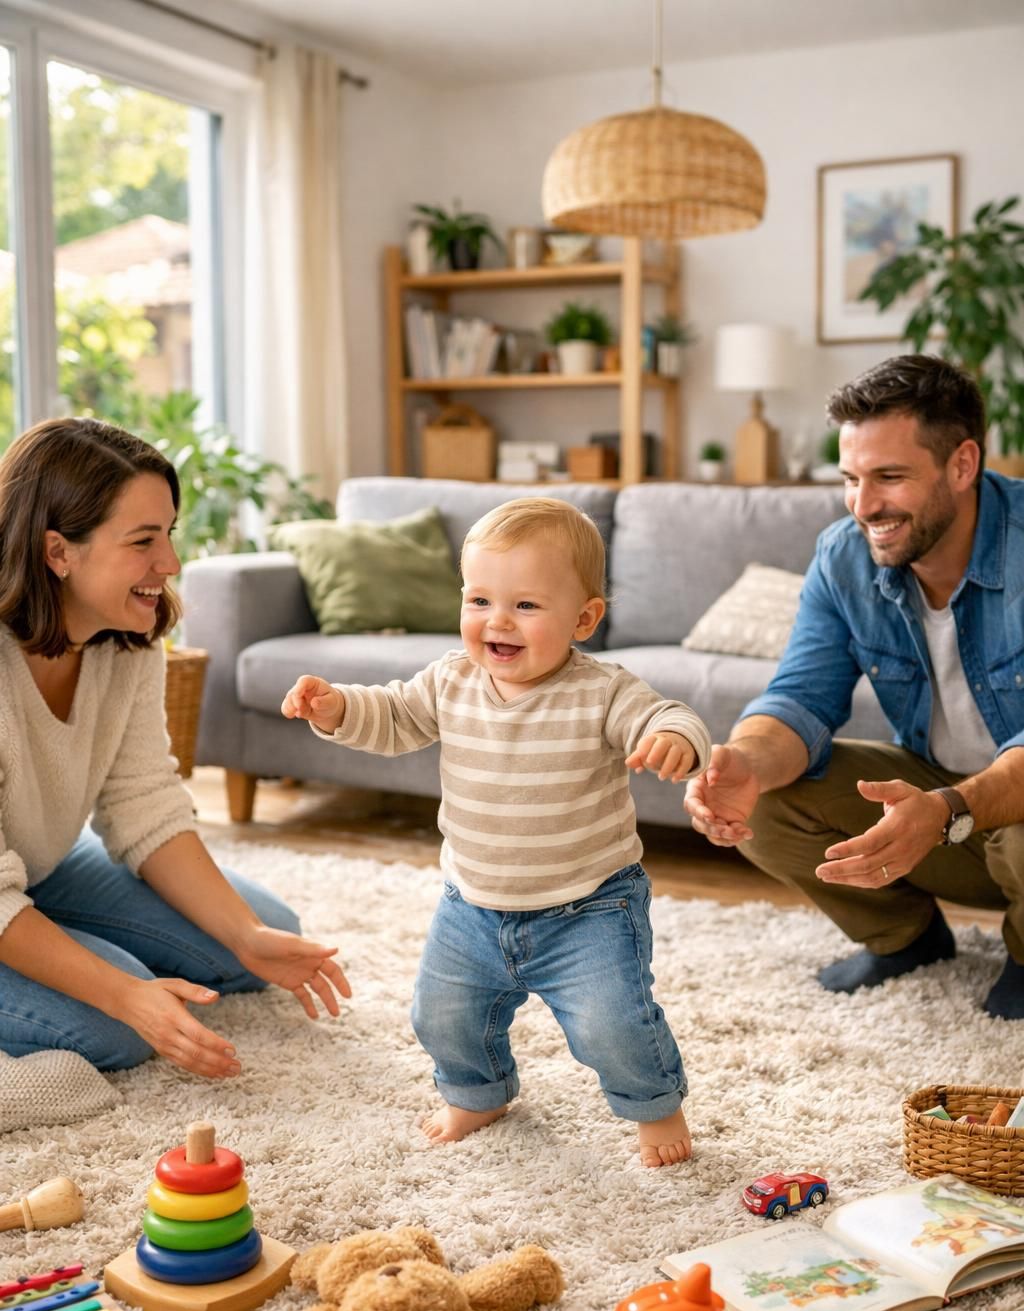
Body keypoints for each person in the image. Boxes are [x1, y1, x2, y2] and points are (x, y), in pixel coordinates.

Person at [282, 498, 711, 1167]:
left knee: (613, 1024)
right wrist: (336, 708)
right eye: (479, 599)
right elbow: (392, 715)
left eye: (526, 606)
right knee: (441, 1014)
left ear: (584, 619)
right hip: (472, 905)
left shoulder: (600, 691)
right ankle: (479, 1092)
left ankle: (655, 1107)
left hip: (589, 907)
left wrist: (671, 739)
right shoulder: (452, 679)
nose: (496, 622)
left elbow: (668, 712)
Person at [0, 416, 350, 1078]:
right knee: (118, 1025)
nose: (170, 564)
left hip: (34, 861)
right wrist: (125, 993)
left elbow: (144, 803)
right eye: (142, 541)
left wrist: (244, 936)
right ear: (58, 552)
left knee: (258, 935)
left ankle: (62, 943)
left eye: (169, 535)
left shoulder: (127, 639)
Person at [684, 354, 1024, 1017]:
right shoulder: (843, 556)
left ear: (962, 464)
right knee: (763, 797)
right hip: (942, 810)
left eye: (890, 478)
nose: (864, 506)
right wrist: (744, 762)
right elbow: (800, 698)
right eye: (851, 479)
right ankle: (905, 938)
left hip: (1004, 809)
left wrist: (951, 806)